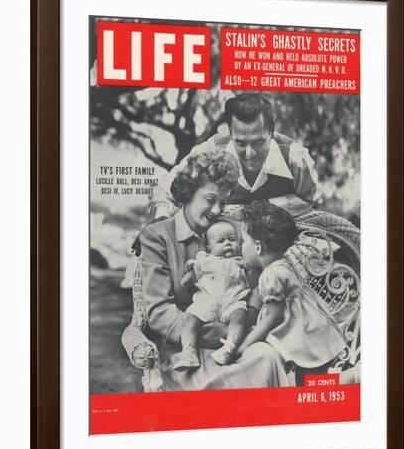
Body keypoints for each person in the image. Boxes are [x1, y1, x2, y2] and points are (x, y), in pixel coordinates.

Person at [140, 149, 291, 391]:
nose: (218, 210)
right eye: (210, 200)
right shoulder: (157, 236)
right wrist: (214, 333)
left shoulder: (233, 232)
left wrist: (242, 327)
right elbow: (158, 311)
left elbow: (252, 281)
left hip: (233, 340)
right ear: (188, 192)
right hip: (186, 353)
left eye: (224, 201)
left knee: (267, 356)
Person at [151, 92, 320, 220]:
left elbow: (312, 202)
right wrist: (162, 219)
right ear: (230, 133)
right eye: (240, 143)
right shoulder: (212, 150)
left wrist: (263, 209)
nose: (250, 154)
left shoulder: (295, 158)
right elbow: (165, 188)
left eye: (258, 142)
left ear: (271, 132)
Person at [237, 200, 347, 373]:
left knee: (304, 381)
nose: (240, 247)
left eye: (243, 242)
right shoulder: (285, 263)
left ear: (258, 247)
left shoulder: (271, 275)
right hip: (315, 329)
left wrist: (245, 344)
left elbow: (272, 318)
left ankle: (347, 378)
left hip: (301, 337)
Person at [173, 219, 250, 371]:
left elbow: (252, 281)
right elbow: (193, 271)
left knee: (240, 316)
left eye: (232, 239)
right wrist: (190, 276)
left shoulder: (242, 261)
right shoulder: (204, 259)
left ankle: (229, 348)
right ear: (209, 248)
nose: (228, 243)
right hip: (207, 302)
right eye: (221, 241)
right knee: (189, 319)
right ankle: (188, 352)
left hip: (233, 301)